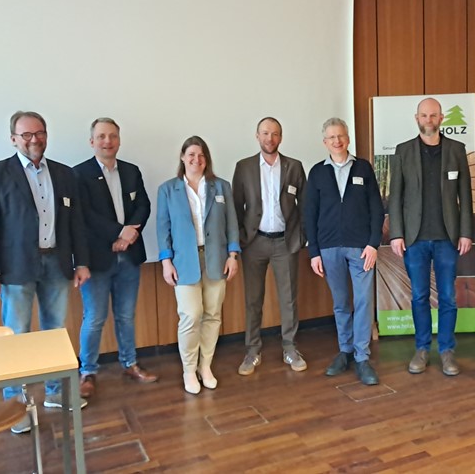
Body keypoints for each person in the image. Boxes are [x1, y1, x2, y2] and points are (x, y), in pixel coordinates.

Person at [0, 111, 90, 433]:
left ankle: (55, 392)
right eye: (26, 135)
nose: (34, 139)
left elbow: (76, 223)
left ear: (46, 135)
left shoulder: (65, 174)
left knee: (55, 332)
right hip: (15, 268)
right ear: (14, 139)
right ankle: (16, 404)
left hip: (57, 263)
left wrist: (81, 262)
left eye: (39, 133)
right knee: (16, 336)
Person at [388, 97, 474, 376]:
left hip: (448, 238)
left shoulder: (456, 150)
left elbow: (465, 195)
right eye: (424, 115)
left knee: (448, 297)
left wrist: (466, 232)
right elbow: (395, 196)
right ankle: (422, 348)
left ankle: (447, 350)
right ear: (417, 119)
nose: (429, 120)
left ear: (441, 118)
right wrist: (396, 234)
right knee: (420, 296)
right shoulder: (403, 151)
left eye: (433, 115)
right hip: (414, 240)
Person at [73, 118, 158, 399]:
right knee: (94, 318)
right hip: (97, 260)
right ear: (92, 142)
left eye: (112, 136)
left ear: (119, 140)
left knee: (125, 316)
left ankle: (130, 364)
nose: (107, 141)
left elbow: (143, 205)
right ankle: (87, 372)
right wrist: (119, 232)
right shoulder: (79, 174)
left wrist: (130, 234)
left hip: (129, 256)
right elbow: (85, 216)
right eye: (101, 136)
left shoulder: (131, 171)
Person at [157, 136, 241, 394]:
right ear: (183, 157)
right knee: (191, 316)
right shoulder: (168, 189)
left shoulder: (221, 187)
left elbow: (232, 223)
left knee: (213, 315)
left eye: (201, 155)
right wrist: (166, 261)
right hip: (184, 262)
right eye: (191, 154)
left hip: (216, 259)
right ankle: (188, 370)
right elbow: (163, 228)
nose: (197, 159)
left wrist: (233, 255)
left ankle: (206, 366)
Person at [304, 118, 384, 385]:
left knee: (363, 302)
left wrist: (373, 244)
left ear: (348, 139)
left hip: (361, 248)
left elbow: (376, 209)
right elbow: (309, 214)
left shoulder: (363, 168)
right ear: (324, 142)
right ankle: (345, 350)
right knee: (340, 303)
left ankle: (362, 357)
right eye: (331, 137)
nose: (336, 141)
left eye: (340, 136)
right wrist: (314, 252)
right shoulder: (317, 172)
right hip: (328, 249)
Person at [232, 117, 307, 375]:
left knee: (289, 299)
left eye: (275, 134)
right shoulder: (244, 167)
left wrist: (301, 237)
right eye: (265, 133)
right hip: (254, 243)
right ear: (257, 136)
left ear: (281, 137)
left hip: (286, 242)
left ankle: (290, 348)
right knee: (253, 300)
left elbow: (305, 205)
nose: (270, 138)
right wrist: (240, 240)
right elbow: (235, 206)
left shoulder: (294, 167)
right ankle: (252, 350)